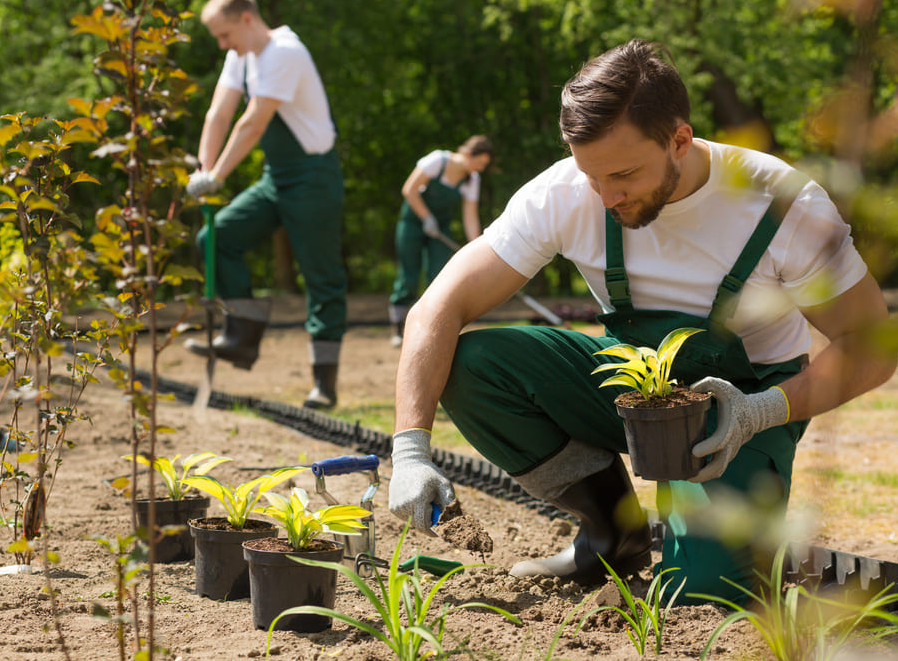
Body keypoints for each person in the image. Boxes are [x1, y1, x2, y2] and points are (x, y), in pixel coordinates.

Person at [387, 40, 896, 602]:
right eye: (592, 177)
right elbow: (437, 306)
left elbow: (871, 343)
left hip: (742, 408)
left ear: (680, 139)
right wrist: (410, 450)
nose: (606, 196)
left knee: (701, 592)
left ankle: (722, 523)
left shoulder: (779, 205)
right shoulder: (565, 193)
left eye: (624, 175)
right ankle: (613, 532)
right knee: (474, 366)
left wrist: (759, 413)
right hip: (633, 389)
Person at [185, 0, 347, 409]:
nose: (222, 45)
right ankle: (241, 339)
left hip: (313, 179)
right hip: (276, 179)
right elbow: (218, 115)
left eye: (224, 35)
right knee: (215, 238)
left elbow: (252, 123)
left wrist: (217, 177)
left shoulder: (285, 52)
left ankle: (323, 385)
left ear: (246, 18)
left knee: (321, 278)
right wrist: (204, 169)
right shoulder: (241, 57)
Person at [388, 136, 494, 347]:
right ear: (467, 154)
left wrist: (476, 246)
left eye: (484, 165)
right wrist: (426, 217)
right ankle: (398, 330)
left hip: (440, 230)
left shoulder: (472, 179)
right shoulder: (437, 161)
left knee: (438, 276)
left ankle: (429, 329)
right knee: (408, 275)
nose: (480, 169)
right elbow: (409, 189)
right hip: (414, 223)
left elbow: (470, 215)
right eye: (479, 163)